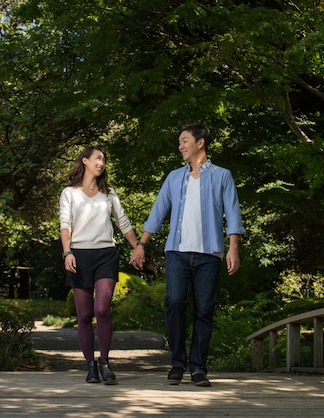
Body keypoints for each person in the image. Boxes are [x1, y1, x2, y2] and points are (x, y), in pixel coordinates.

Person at [130, 123, 244, 387]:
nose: (180, 146)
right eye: (179, 141)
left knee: (204, 310)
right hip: (177, 253)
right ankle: (177, 362)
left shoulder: (222, 176)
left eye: (184, 140)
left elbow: (234, 213)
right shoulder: (173, 177)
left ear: (200, 142)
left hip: (209, 255)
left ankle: (198, 367)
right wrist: (141, 245)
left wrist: (233, 248)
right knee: (174, 302)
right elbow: (158, 212)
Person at [59, 146, 139, 385]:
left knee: (102, 309)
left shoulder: (109, 193)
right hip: (79, 255)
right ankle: (90, 366)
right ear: (84, 160)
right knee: (84, 315)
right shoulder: (69, 193)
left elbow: (123, 222)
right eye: (97, 158)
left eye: (104, 159)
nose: (102, 163)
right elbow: (65, 224)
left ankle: (105, 362)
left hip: (106, 254)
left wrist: (137, 246)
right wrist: (67, 253)